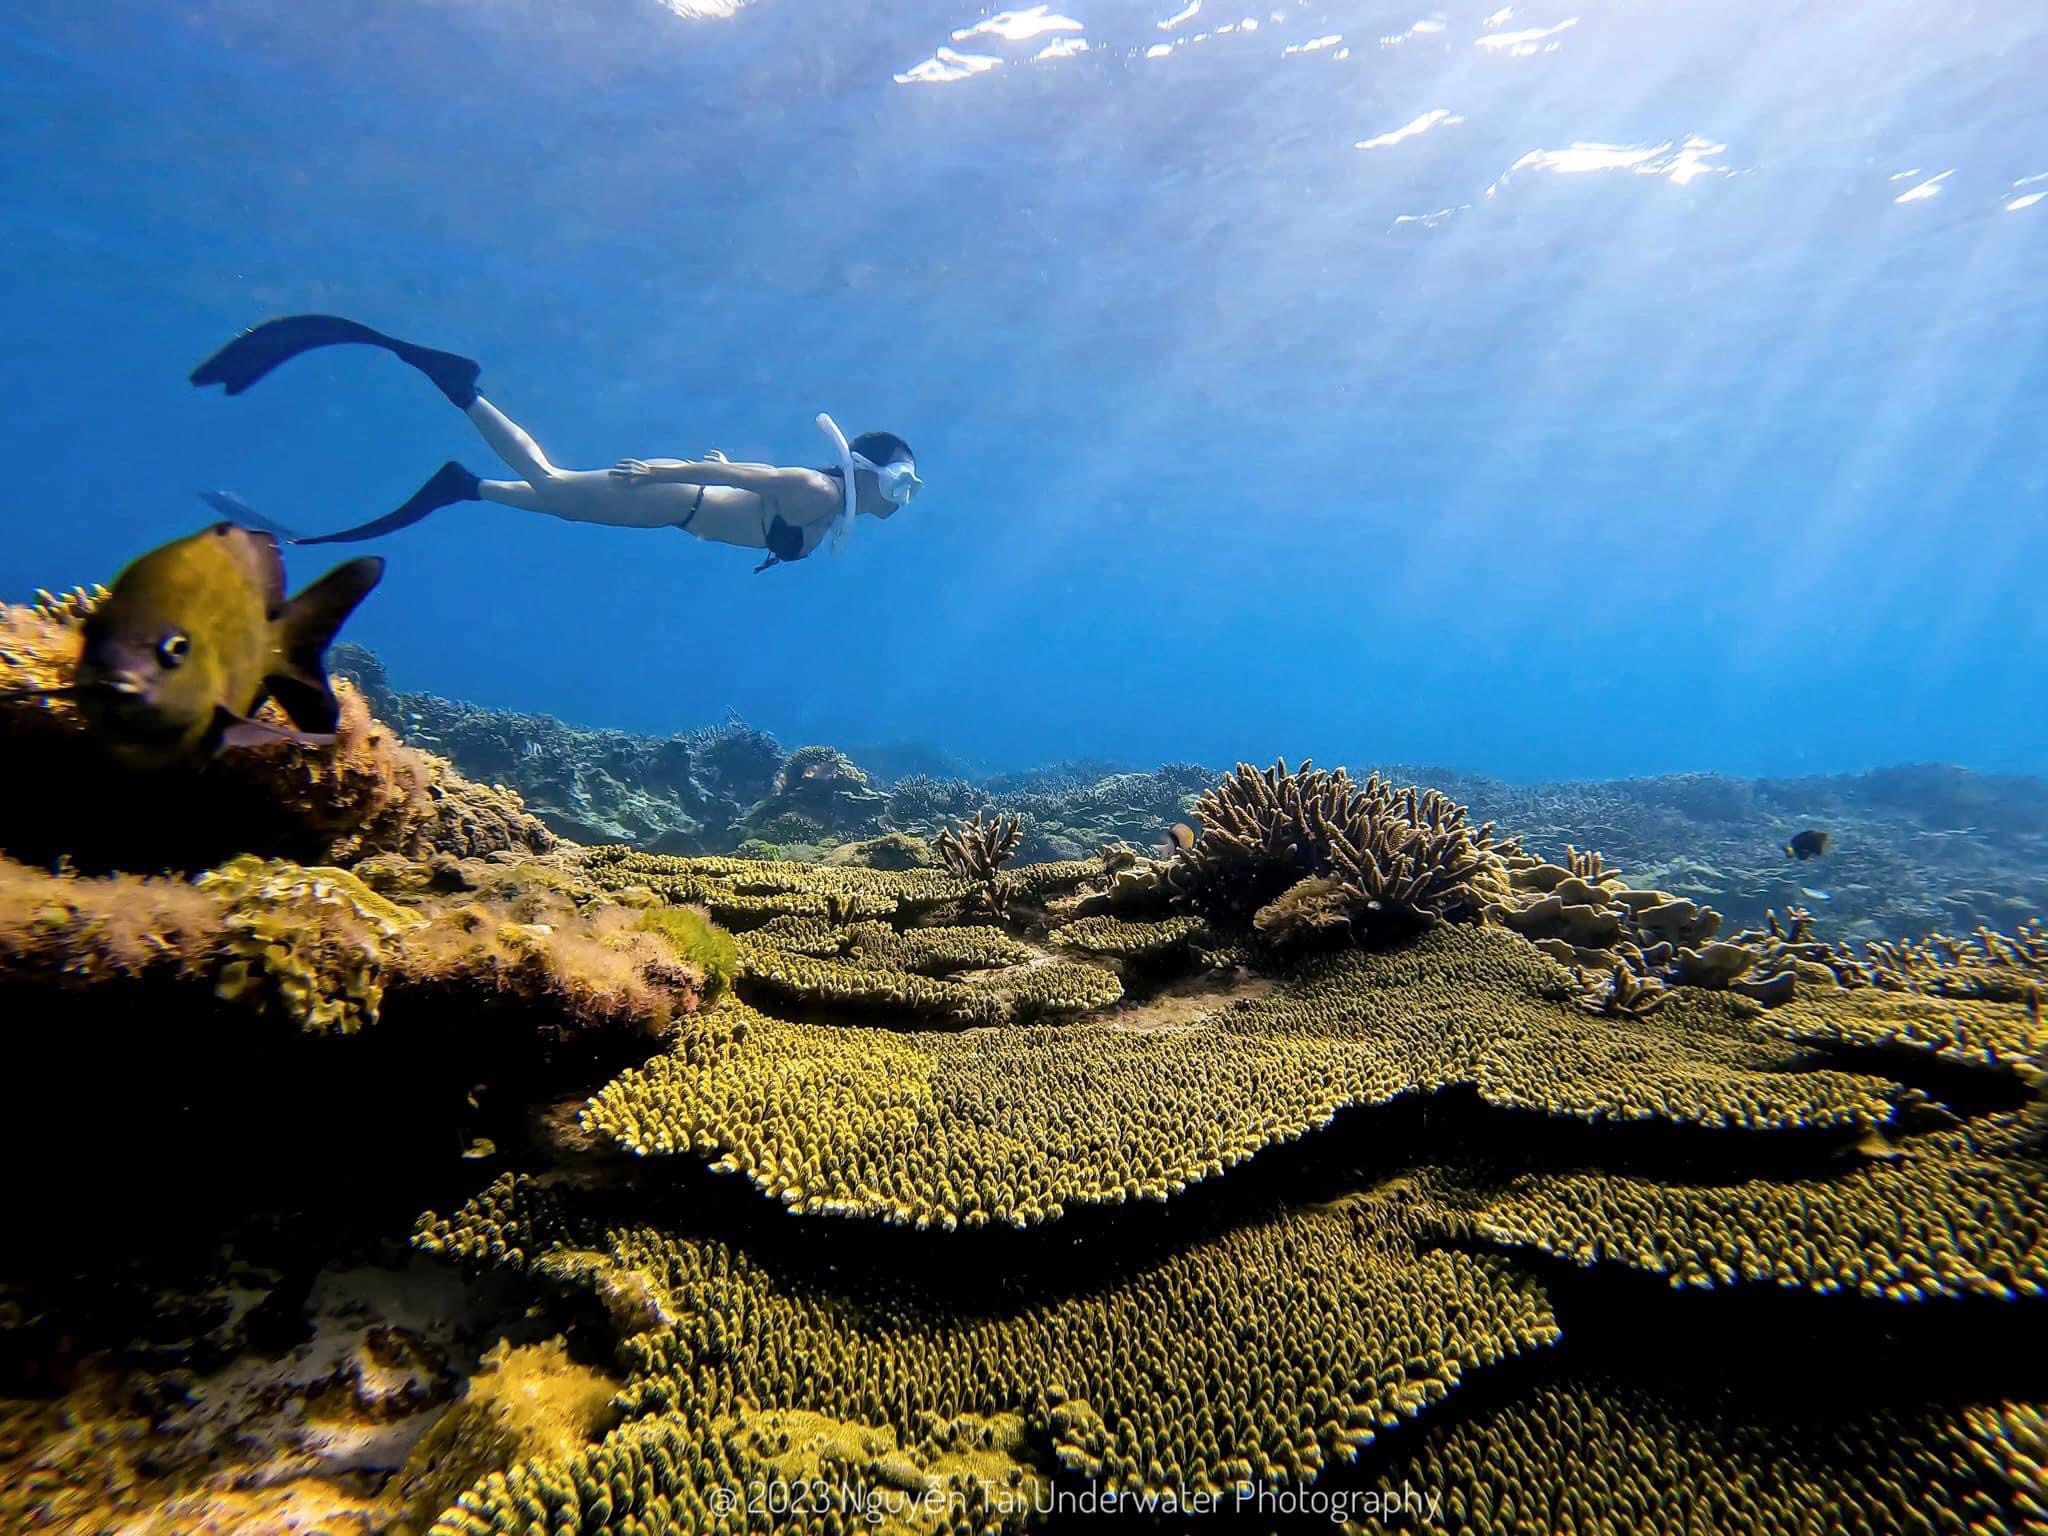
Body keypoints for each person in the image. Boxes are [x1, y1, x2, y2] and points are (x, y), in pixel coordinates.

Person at [189, 315, 922, 571]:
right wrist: (670, 467)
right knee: (551, 483)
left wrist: (721, 471)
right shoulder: (822, 491)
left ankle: (461, 486)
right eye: (901, 484)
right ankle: (458, 383)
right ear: (866, 472)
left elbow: (747, 477)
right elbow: (763, 475)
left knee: (558, 504)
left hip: (683, 508)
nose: (903, 499)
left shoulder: (831, 506)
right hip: (673, 496)